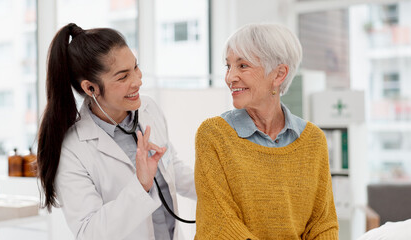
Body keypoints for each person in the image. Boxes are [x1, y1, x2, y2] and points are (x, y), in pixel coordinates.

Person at [37, 23, 196, 240]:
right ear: (90, 88)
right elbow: (89, 232)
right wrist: (141, 186)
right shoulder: (73, 150)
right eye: (123, 77)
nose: (138, 81)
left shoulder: (149, 109)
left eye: (136, 68)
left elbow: (172, 167)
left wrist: (223, 188)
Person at [194, 23, 339, 239]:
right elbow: (219, 223)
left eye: (242, 66)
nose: (230, 77)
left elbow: (323, 224)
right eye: (228, 66)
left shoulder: (313, 140)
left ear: (279, 74)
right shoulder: (214, 135)